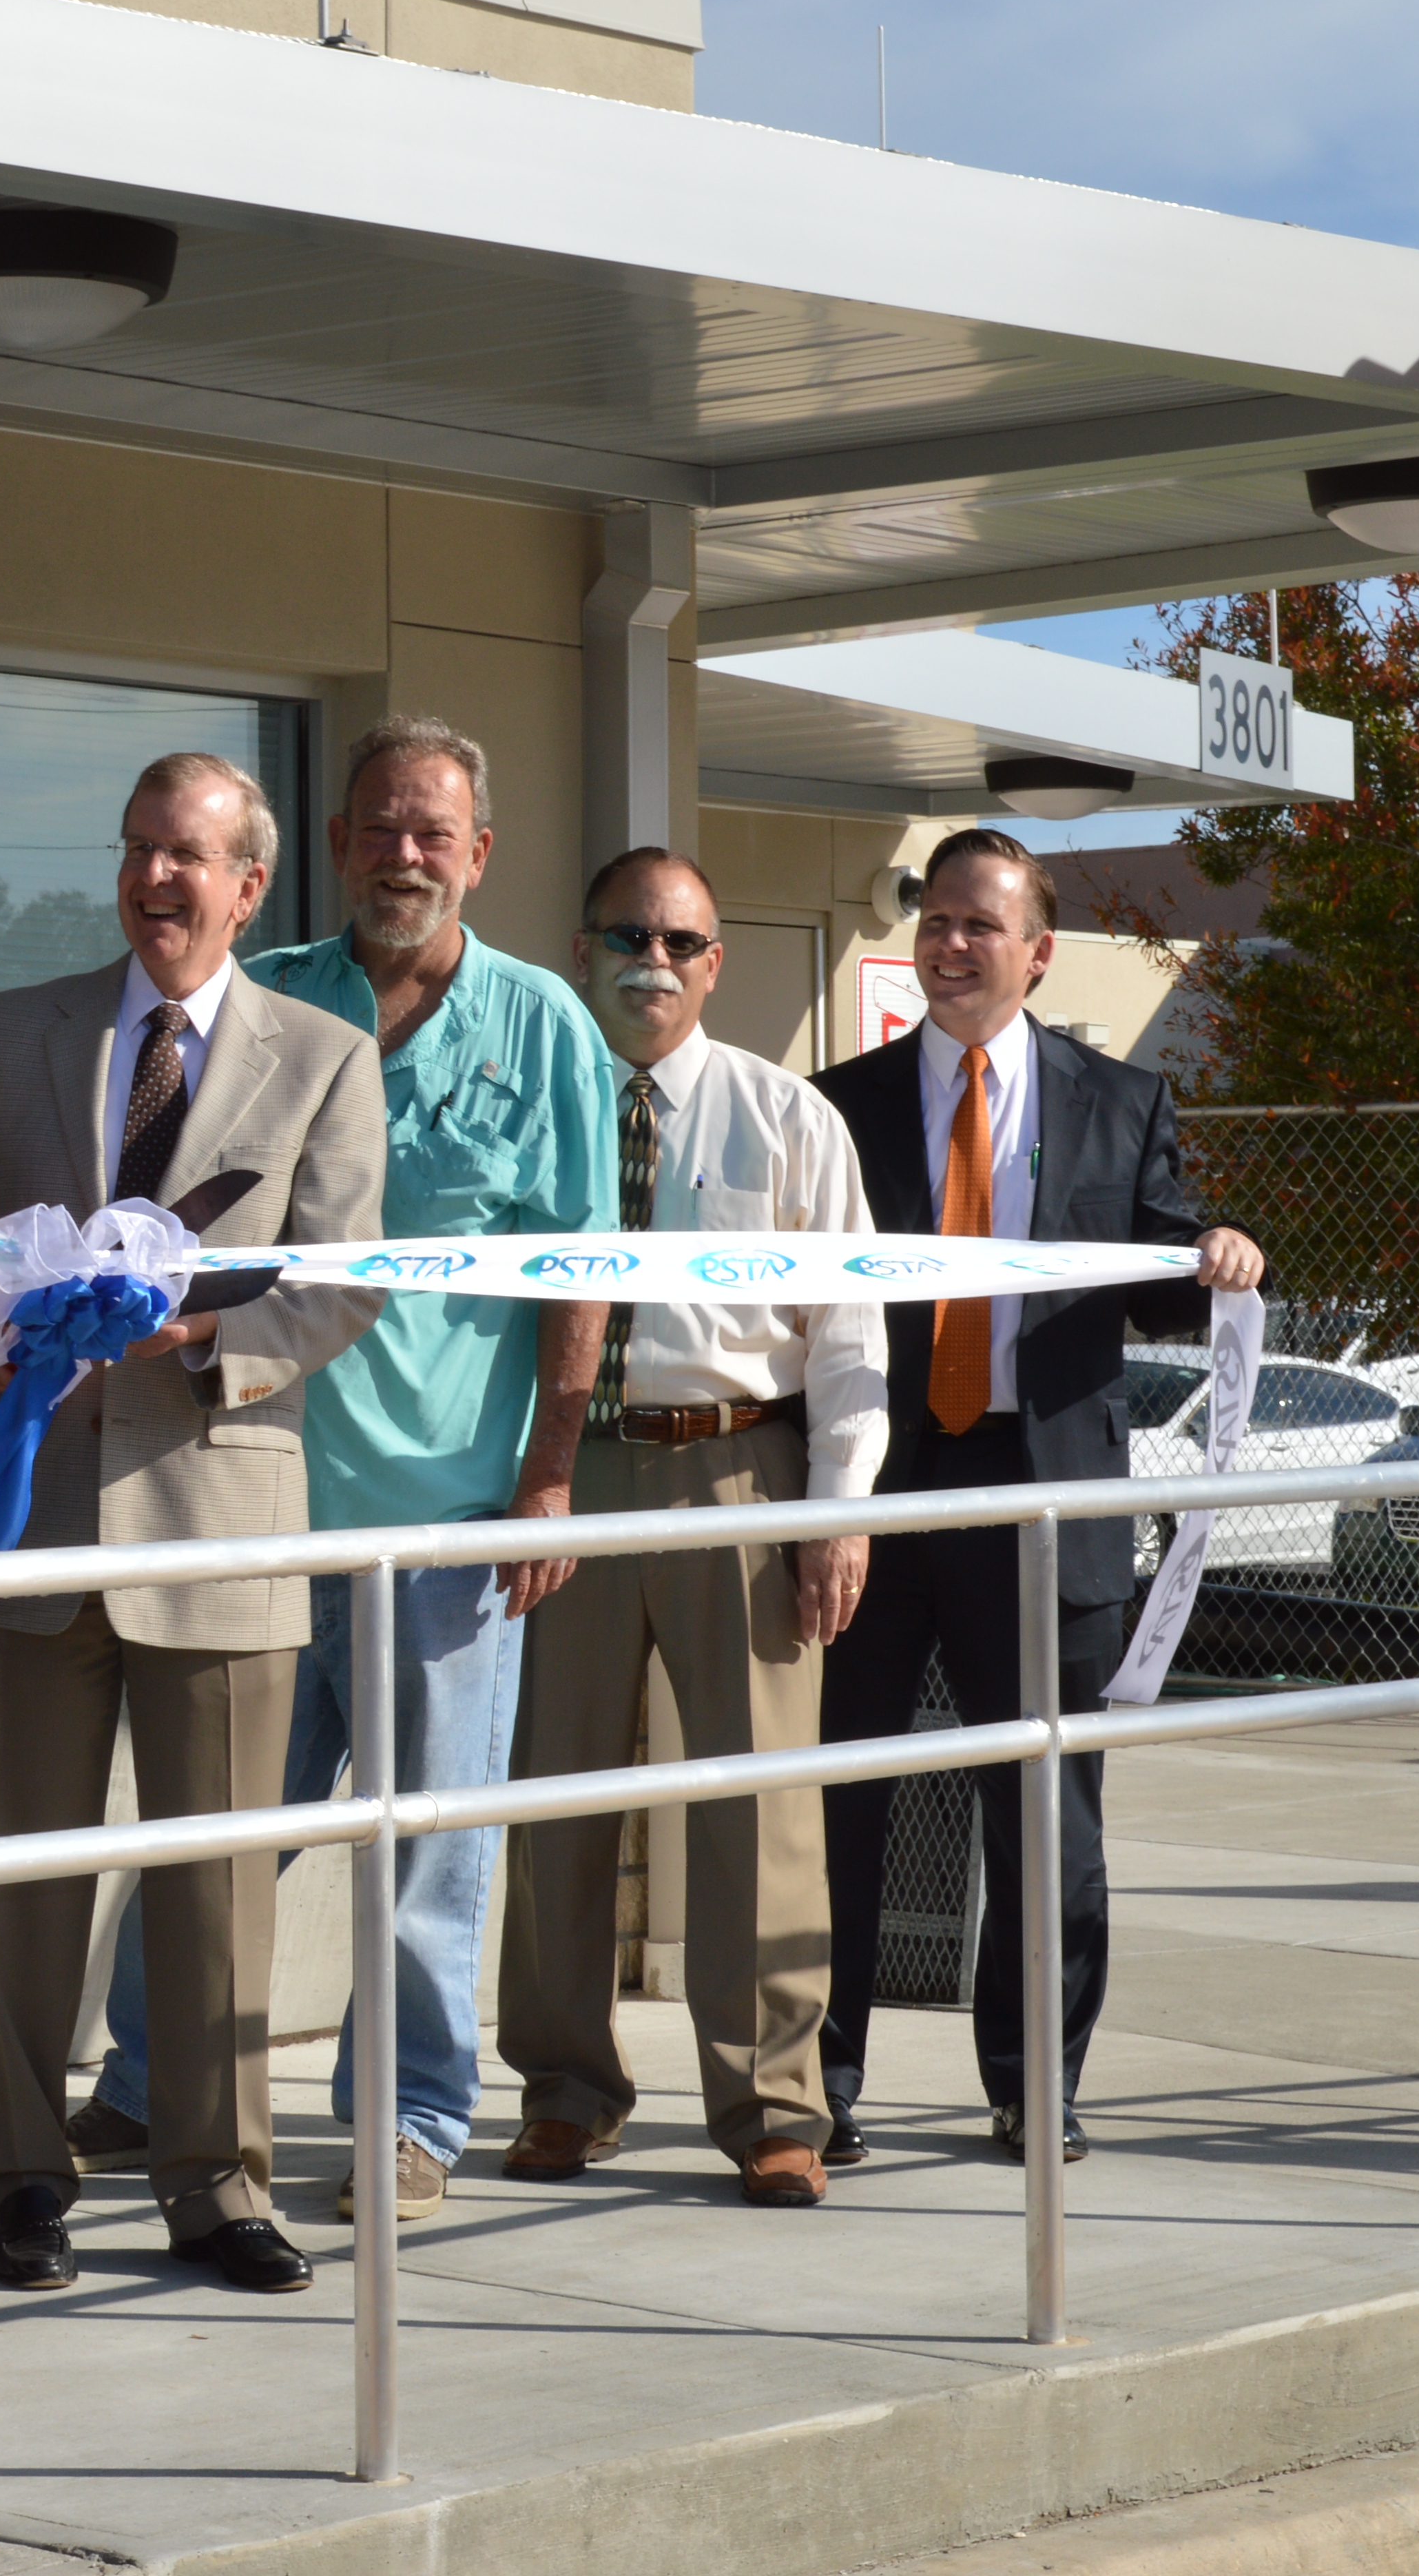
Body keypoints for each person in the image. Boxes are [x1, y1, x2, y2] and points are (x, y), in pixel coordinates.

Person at [78, 719, 608, 2225]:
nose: (402, 854)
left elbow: (583, 1269)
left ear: (477, 854)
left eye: (431, 832)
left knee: (427, 1840)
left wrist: (548, 1474)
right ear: (332, 844)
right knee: (215, 1819)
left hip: (446, 1512)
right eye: (377, 826)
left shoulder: (544, 1025)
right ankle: (144, 2080)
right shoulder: (264, 996)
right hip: (252, 1488)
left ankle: (410, 2117)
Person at [0, 750, 384, 2298]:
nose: (157, 881)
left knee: (220, 1883)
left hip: (220, 1513)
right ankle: (21, 2177)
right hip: (35, 1520)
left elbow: (344, 1274)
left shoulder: (322, 1053)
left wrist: (206, 1349)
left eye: (190, 857)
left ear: (249, 884)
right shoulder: (15, 1027)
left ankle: (216, 2180)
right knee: (20, 1874)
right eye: (136, 852)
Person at [811, 828, 1264, 2164]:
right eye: (932, 922)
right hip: (875, 1489)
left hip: (1044, 1495)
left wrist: (1214, 1253)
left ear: (1037, 952)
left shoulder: (1120, 1104)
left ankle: (1029, 2084)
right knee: (838, 1799)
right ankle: (816, 2089)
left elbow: (1154, 1263)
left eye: (978, 926)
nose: (949, 946)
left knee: (1045, 1813)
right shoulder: (834, 1105)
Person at [495, 849, 888, 2208]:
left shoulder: (786, 1118)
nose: (649, 959)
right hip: (564, 1478)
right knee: (549, 1802)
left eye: (679, 938)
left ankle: (774, 2103)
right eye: (624, 934)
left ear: (715, 961)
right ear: (580, 947)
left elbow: (847, 1333)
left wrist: (837, 1512)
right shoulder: (531, 1123)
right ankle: (562, 2088)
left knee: (761, 1811)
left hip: (739, 1478)